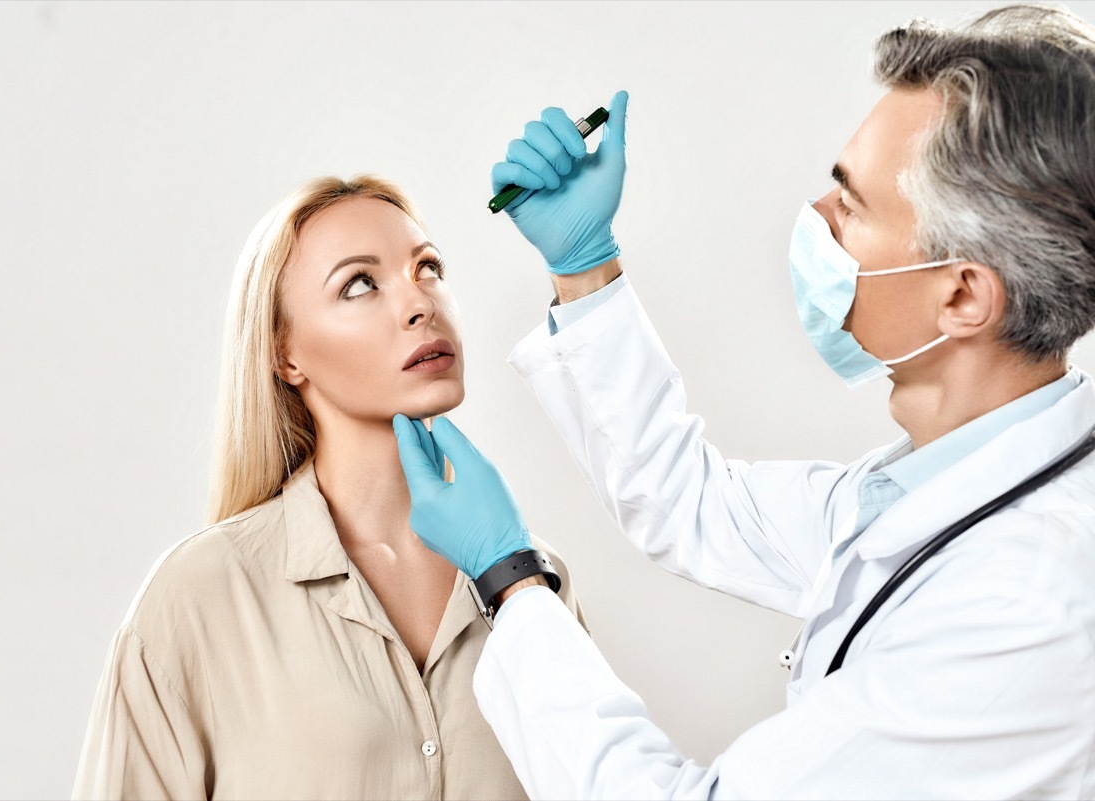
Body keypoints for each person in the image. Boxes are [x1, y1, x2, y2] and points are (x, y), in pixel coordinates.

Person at [393, 5, 1095, 798]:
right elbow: (690, 502)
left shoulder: (1023, 606)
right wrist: (585, 265)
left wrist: (509, 579)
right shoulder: (930, 487)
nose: (814, 220)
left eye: (850, 205)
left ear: (964, 296)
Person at [72, 175, 585, 799]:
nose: (420, 303)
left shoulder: (533, 578)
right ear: (285, 355)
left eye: (427, 268)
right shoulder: (199, 597)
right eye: (360, 284)